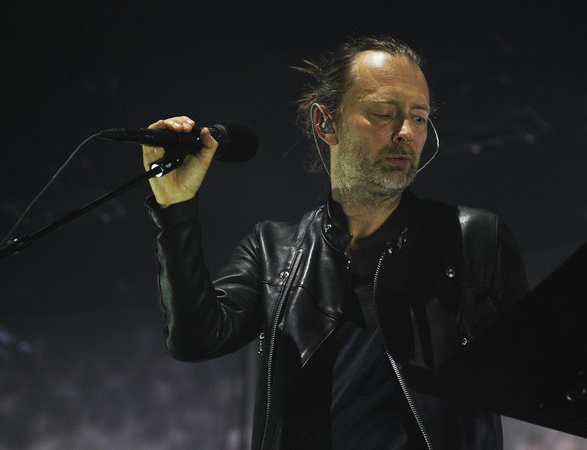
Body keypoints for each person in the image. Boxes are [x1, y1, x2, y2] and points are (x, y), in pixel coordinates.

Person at [142, 35, 530, 450]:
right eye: (383, 113)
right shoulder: (274, 250)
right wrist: (175, 208)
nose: (406, 132)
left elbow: (540, 375)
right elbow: (195, 339)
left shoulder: (473, 238)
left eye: (419, 117)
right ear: (325, 124)